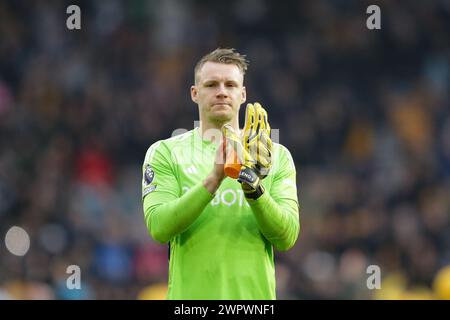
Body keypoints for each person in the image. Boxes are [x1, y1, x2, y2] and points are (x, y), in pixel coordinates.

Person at [141, 48, 300, 299]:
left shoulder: (274, 156)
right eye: (211, 84)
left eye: (230, 84)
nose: (222, 91)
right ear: (195, 93)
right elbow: (159, 228)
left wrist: (254, 188)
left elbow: (286, 237)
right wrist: (213, 180)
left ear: (242, 94)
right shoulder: (166, 152)